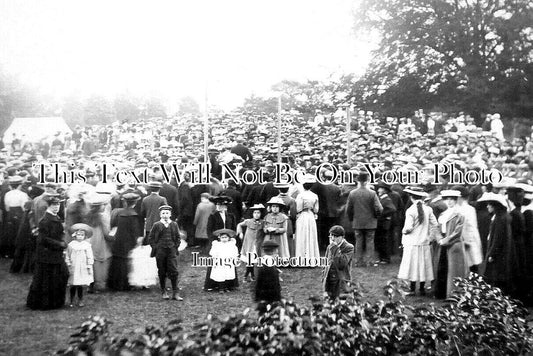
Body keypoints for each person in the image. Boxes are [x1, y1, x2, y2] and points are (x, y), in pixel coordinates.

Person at [27, 195, 69, 310]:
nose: (56, 207)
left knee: (58, 276)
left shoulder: (55, 217)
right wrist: (59, 244)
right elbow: (42, 239)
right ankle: (46, 303)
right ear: (48, 206)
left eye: (58, 205)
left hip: (53, 254)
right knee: (47, 279)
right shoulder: (46, 220)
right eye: (53, 205)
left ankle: (54, 302)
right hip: (47, 254)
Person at [397, 187, 438, 296]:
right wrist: (431, 237)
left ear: (411, 197)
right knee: (423, 265)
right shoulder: (428, 209)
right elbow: (435, 224)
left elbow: (408, 228)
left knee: (413, 265)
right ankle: (422, 289)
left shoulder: (410, 210)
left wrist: (404, 231)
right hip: (424, 242)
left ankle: (412, 288)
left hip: (412, 242)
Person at [478, 192, 516, 296]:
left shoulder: (499, 219)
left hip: (498, 253)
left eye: (490, 204)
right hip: (503, 252)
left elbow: (497, 238)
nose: (487, 206)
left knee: (496, 276)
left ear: (495, 206)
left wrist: (491, 253)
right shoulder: (502, 216)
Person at [434, 190, 468, 299]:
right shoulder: (443, 214)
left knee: (453, 270)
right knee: (442, 268)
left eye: (452, 199)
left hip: (454, 245)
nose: (449, 202)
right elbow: (436, 228)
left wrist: (446, 240)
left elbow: (457, 232)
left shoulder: (459, 214)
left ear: (456, 200)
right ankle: (441, 293)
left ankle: (453, 294)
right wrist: (439, 238)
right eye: (447, 199)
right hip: (442, 243)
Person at [346, 171, 383, 266]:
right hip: (370, 221)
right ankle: (369, 261)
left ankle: (358, 261)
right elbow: (379, 208)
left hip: (357, 221)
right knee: (370, 242)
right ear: (367, 181)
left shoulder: (352, 193)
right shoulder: (372, 193)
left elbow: (348, 209)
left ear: (358, 181)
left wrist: (352, 218)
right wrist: (376, 216)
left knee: (358, 242)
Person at [107, 193, 143, 291]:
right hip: (128, 242)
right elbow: (135, 231)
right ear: (135, 203)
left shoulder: (119, 213)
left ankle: (113, 283)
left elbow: (113, 225)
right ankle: (124, 284)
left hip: (118, 240)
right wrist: (137, 240)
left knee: (117, 261)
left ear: (125, 202)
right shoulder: (133, 215)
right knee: (125, 263)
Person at [149, 205, 183, 300]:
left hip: (171, 250)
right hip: (160, 251)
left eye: (167, 213)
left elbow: (177, 237)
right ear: (160, 214)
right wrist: (155, 247)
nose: (165, 215)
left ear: (170, 214)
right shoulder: (157, 225)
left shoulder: (174, 224)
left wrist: (175, 246)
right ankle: (163, 291)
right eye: (163, 213)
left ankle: (175, 292)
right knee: (162, 270)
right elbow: (151, 238)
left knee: (174, 271)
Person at [86, 195, 112, 292]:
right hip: (100, 241)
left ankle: (90, 284)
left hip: (90, 241)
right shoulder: (102, 216)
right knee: (101, 262)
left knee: (91, 261)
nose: (104, 207)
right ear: (99, 206)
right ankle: (100, 284)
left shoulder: (88, 215)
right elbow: (106, 232)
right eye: (103, 205)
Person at [65, 223, 94, 307]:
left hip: (82, 267)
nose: (80, 237)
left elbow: (90, 256)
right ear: (75, 236)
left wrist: (89, 264)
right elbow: (68, 255)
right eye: (78, 235)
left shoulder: (87, 246)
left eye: (82, 235)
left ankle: (80, 300)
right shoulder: (71, 245)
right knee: (73, 284)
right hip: (74, 266)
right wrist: (68, 263)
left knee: (80, 285)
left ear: (84, 236)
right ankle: (71, 300)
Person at [322, 225, 354, 300]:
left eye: (335, 236)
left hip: (341, 282)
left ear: (341, 237)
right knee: (329, 305)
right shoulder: (330, 247)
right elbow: (326, 263)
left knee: (342, 305)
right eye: (331, 236)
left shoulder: (349, 247)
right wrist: (324, 277)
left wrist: (335, 248)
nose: (332, 239)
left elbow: (341, 264)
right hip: (329, 281)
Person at [236, 203, 265, 281]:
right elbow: (239, 225)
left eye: (258, 213)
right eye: (255, 213)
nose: (256, 215)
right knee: (249, 260)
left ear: (261, 214)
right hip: (249, 243)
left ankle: (252, 275)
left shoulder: (263, 222)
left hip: (258, 244)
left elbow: (265, 231)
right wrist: (240, 233)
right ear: (252, 213)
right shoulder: (248, 221)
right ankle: (247, 275)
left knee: (254, 260)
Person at [294, 175, 320, 260]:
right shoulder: (314, 195)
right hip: (311, 216)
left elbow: (298, 208)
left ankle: (302, 257)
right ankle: (311, 256)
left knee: (302, 235)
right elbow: (316, 209)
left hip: (303, 215)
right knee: (310, 235)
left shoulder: (300, 195)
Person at [255, 240, 282, 313]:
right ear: (274, 252)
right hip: (270, 294)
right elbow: (272, 281)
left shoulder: (263, 261)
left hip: (262, 292)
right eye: (276, 252)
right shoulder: (269, 263)